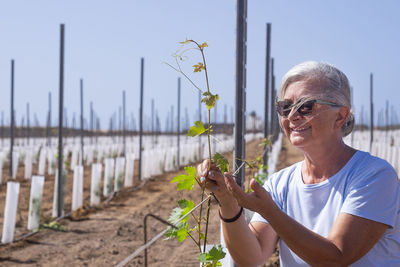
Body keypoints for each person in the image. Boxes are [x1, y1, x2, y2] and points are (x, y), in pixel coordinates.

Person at [198, 61, 400, 266]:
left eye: (305, 106)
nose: (292, 116)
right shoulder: (280, 183)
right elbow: (252, 257)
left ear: (340, 116)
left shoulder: (374, 176)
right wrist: (228, 203)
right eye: (285, 107)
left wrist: (271, 212)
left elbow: (337, 256)